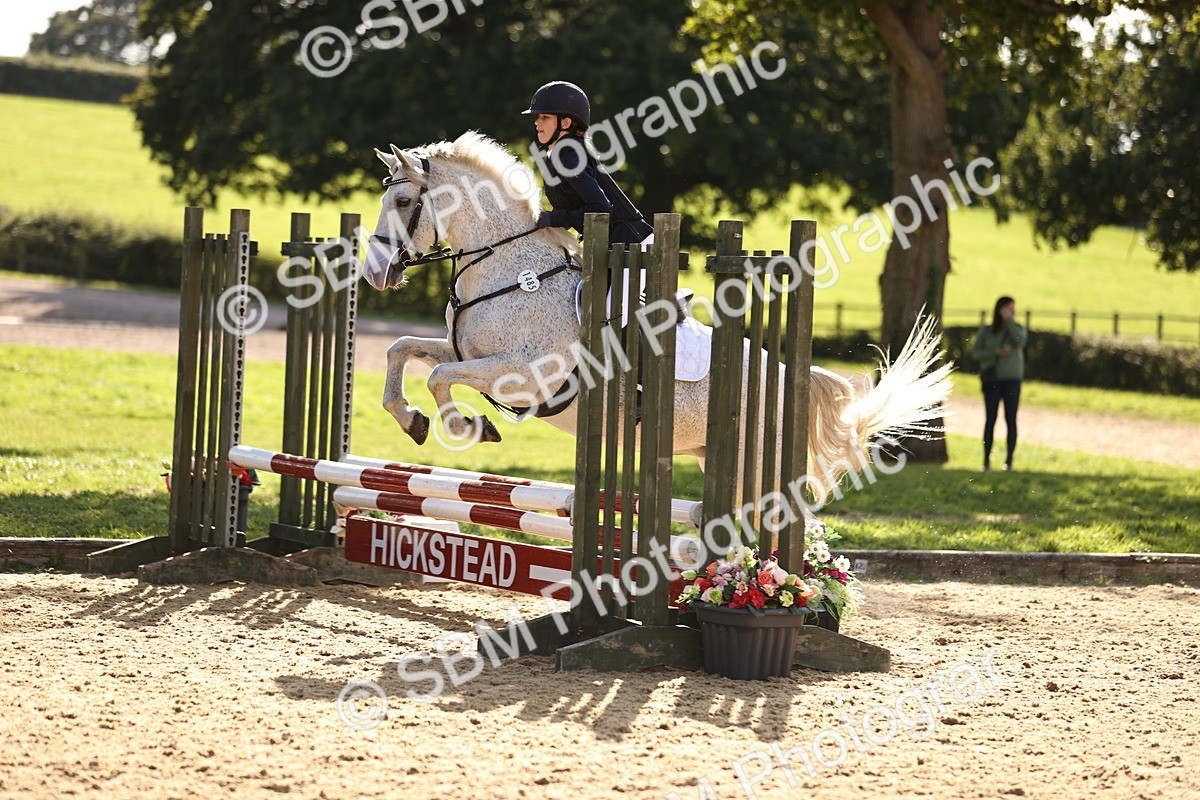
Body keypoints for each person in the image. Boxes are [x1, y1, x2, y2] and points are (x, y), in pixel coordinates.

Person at [523, 81, 654, 246]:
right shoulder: (560, 154)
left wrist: (553, 218)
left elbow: (601, 209)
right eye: (537, 117)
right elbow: (572, 210)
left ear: (565, 123)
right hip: (618, 246)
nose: (537, 122)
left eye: (545, 117)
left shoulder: (568, 158)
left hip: (634, 244)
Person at [972, 296, 1027, 471]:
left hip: (1012, 381)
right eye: (1008, 308)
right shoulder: (987, 331)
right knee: (990, 420)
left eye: (1013, 308)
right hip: (992, 380)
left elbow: (1019, 341)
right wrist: (994, 352)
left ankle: (1009, 461)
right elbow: (976, 353)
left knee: (1011, 419)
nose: (1012, 311)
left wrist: (1009, 322)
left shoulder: (1017, 328)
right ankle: (986, 460)